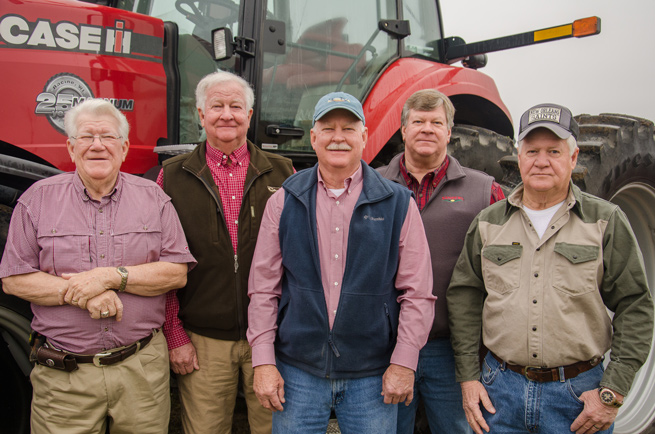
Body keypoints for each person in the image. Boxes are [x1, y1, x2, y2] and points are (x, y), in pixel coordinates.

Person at [447, 103, 654, 434]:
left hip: (576, 395)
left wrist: (612, 392)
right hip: (499, 390)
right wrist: (469, 378)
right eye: (532, 151)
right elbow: (465, 299)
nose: (541, 161)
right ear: (520, 156)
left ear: (572, 159)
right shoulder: (489, 222)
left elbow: (635, 306)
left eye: (554, 151)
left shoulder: (605, 221)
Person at [0, 98, 196, 433]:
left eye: (107, 137)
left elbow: (175, 272)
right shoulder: (36, 199)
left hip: (141, 371)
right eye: (87, 137)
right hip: (65, 378)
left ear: (124, 147)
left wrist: (110, 277)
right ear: (70, 147)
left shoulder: (154, 199)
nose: (97, 145)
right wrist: (82, 292)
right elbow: (15, 280)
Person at [247, 91, 436, 433]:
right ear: (313, 137)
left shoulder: (396, 204)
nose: (338, 137)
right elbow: (263, 288)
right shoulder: (285, 200)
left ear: (364, 136)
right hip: (298, 371)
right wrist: (263, 361)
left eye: (348, 128)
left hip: (372, 374)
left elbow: (418, 293)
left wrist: (404, 363)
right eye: (328, 128)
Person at [158, 70, 294, 434]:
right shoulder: (170, 176)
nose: (227, 114)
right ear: (200, 115)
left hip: (271, 337)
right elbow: (161, 265)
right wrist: (175, 335)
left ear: (250, 116)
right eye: (216, 106)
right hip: (203, 342)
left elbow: (300, 258)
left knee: (274, 429)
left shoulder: (284, 174)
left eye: (236, 106)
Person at [377, 88, 504, 434]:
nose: (427, 129)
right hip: (384, 348)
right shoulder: (372, 185)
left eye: (437, 122)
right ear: (403, 130)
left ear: (450, 132)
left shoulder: (485, 191)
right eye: (418, 121)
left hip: (451, 351)